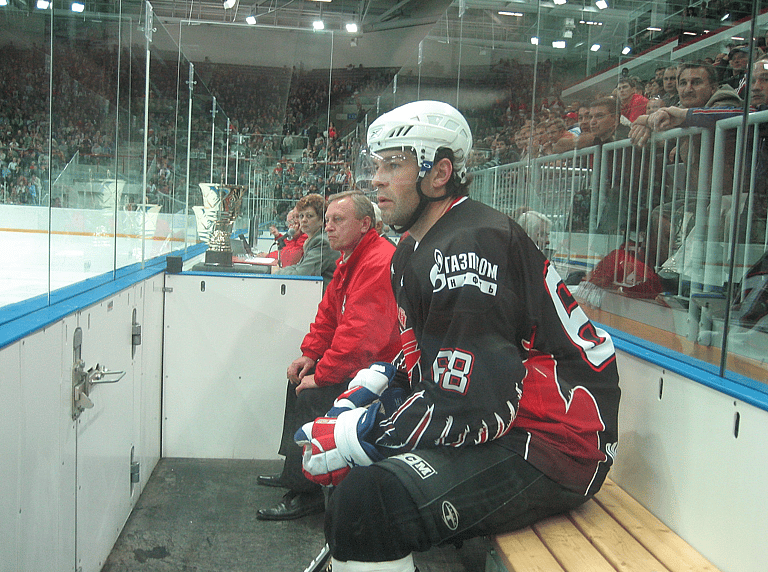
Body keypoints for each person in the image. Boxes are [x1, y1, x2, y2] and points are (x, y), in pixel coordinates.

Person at [295, 101, 621, 571]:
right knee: (360, 484)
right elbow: (433, 363)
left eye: (395, 163)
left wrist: (362, 433)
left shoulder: (468, 246)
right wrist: (382, 382)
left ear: (440, 172)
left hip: (557, 443)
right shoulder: (415, 248)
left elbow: (473, 406)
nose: (378, 179)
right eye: (377, 164)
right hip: (516, 416)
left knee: (369, 505)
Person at [257, 191, 401, 521]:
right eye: (328, 221)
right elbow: (329, 316)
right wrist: (310, 355)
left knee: (313, 394)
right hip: (363, 364)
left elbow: (358, 339)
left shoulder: (378, 262)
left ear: (365, 224)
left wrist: (320, 375)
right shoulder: (350, 259)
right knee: (297, 381)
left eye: (338, 220)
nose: (329, 227)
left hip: (385, 373)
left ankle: (307, 491)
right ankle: (293, 470)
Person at [272, 193, 337, 289]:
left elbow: (301, 274)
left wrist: (275, 273)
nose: (303, 220)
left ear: (321, 220)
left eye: (309, 216)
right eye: (301, 216)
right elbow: (298, 267)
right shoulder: (314, 239)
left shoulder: (322, 242)